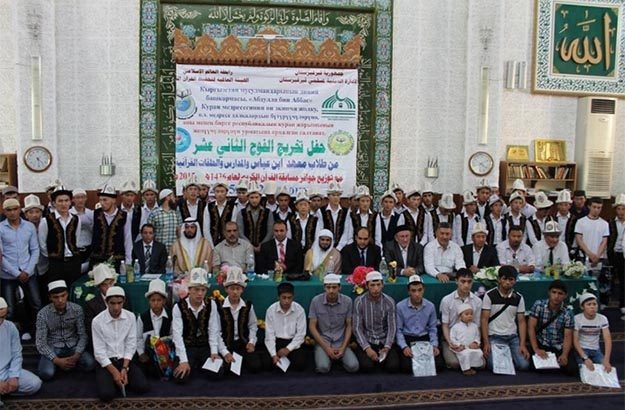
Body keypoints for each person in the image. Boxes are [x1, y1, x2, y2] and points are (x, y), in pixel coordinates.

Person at [172, 268, 231, 382]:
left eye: (203, 290)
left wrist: (214, 352)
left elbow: (213, 330)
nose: (200, 293)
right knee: (180, 377)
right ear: (189, 289)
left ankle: (199, 364)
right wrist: (183, 360)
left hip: (205, 345)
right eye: (196, 289)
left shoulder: (211, 304)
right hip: (188, 346)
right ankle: (194, 363)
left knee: (218, 374)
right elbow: (177, 336)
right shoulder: (178, 307)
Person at [91, 286, 150, 402]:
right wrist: (114, 373)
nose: (116, 307)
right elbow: (99, 352)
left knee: (143, 387)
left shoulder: (130, 317)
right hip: (107, 363)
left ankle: (120, 380)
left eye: (119, 303)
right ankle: (114, 380)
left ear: (124, 301)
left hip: (124, 360)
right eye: (112, 303)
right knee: (106, 395)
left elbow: (131, 344)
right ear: (106, 302)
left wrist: (124, 368)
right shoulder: (97, 321)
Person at [36, 280, 95, 381]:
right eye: (56, 297)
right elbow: (40, 342)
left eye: (63, 296)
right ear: (50, 298)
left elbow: (83, 335)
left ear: (67, 294)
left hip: (73, 346)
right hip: (53, 347)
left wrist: (77, 354)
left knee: (91, 364)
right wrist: (57, 360)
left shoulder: (77, 309)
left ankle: (68, 363)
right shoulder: (43, 314)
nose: (60, 300)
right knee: (46, 374)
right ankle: (62, 364)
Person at [0, 198, 41, 341]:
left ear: (20, 210)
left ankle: (37, 334)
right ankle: (11, 338)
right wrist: (16, 273)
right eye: (9, 210)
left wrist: (28, 271)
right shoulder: (0, 228)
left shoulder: (29, 227)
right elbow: (1, 255)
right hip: (7, 273)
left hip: (28, 271)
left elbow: (35, 250)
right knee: (9, 308)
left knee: (36, 304)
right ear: (4, 212)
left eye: (15, 209)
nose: (12, 212)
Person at [481, 265, 530, 371]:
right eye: (504, 279)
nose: (507, 282)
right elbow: (484, 320)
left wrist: (522, 344)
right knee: (493, 365)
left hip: (512, 337)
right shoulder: (489, 295)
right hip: (494, 337)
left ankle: (508, 358)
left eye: (511, 279)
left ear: (515, 281)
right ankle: (507, 359)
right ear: (499, 279)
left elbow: (522, 322)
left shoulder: (519, 298)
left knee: (524, 365)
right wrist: (486, 342)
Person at [308, 274, 359, 374]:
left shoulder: (347, 301)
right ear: (324, 288)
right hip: (323, 341)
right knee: (323, 368)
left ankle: (338, 356)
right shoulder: (316, 301)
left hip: (341, 341)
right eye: (328, 287)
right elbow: (312, 326)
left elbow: (349, 325)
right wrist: (326, 348)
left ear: (340, 287)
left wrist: (343, 347)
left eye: (334, 287)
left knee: (353, 367)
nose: (331, 290)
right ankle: (326, 356)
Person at [217, 268, 263, 374]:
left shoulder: (248, 305)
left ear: (242, 290)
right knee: (228, 369)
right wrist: (224, 352)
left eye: (238, 289)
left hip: (243, 343)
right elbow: (216, 332)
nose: (235, 292)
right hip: (226, 344)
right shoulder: (219, 306)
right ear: (226, 289)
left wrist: (251, 342)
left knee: (256, 366)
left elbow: (252, 325)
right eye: (232, 288)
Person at [353, 270, 399, 373]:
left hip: (384, 340)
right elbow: (357, 328)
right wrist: (367, 348)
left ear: (383, 285)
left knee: (393, 366)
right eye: (372, 285)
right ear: (367, 286)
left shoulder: (389, 301)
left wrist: (387, 347)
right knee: (367, 367)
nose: (376, 288)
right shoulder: (359, 302)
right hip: (368, 339)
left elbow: (392, 327)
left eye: (378, 285)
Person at [527, 280, 577, 375]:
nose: (556, 296)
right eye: (554, 292)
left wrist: (564, 354)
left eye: (560, 293)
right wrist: (536, 349)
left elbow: (568, 336)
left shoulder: (568, 312)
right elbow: (531, 327)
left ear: (565, 296)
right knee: (530, 366)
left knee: (572, 369)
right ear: (549, 292)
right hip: (542, 342)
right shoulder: (539, 305)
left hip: (558, 345)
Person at [395, 275, 441, 373]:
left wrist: (434, 345)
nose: (417, 294)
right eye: (413, 291)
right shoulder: (400, 306)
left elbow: (433, 328)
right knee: (406, 367)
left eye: (420, 290)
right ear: (408, 292)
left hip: (424, 338)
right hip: (408, 338)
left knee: (439, 365)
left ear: (424, 290)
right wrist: (404, 347)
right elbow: (398, 330)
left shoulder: (430, 306)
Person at [39, 185, 83, 285]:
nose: (64, 204)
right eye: (60, 201)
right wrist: (53, 256)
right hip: (56, 263)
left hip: (73, 261)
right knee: (57, 288)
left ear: (70, 202)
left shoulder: (76, 219)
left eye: (66, 200)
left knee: (74, 287)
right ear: (54, 203)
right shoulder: (46, 221)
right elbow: (42, 244)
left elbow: (76, 238)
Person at [439, 269, 482, 369]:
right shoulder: (447, 300)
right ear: (456, 281)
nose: (466, 285)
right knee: (454, 363)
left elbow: (477, 325)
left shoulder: (477, 301)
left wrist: (476, 342)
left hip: (469, 339)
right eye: (463, 281)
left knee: (481, 364)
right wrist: (450, 342)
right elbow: (445, 325)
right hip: (452, 338)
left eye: (469, 282)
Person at [0, 297, 42, 397]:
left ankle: (4, 392)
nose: (1, 321)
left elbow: (16, 354)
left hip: (6, 371)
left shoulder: (10, 327)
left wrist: (14, 376)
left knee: (35, 384)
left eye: (3, 317)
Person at [264, 282, 308, 371]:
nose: (287, 301)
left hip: (293, 342)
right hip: (277, 341)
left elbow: (301, 334)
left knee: (300, 364)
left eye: (289, 298)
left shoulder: (299, 310)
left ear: (293, 297)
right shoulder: (271, 310)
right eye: (284, 298)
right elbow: (269, 335)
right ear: (278, 297)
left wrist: (288, 349)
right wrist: (273, 355)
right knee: (267, 364)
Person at [574, 197, 609, 306]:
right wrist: (589, 253)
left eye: (599, 208)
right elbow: (579, 239)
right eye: (594, 207)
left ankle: (600, 304)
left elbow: (604, 241)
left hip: (599, 257)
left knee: (599, 283)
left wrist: (597, 255)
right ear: (589, 206)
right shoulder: (581, 222)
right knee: (585, 283)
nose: (596, 210)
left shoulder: (604, 223)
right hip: (585, 256)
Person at [91, 184, 133, 271]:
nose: (102, 203)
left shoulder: (124, 216)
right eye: (100, 200)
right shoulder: (95, 214)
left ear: (113, 200)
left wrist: (128, 261)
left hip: (117, 260)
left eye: (105, 200)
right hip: (97, 260)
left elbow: (128, 239)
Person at [136, 279, 172, 378]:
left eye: (159, 300)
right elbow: (138, 338)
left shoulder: (170, 316)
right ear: (149, 301)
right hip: (149, 353)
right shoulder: (142, 317)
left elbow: (173, 335)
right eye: (153, 300)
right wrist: (141, 353)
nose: (156, 303)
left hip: (166, 353)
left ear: (164, 301)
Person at [84, 264, 129, 337]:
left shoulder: (123, 298)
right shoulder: (91, 305)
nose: (109, 287)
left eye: (110, 283)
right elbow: (91, 330)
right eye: (104, 285)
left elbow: (128, 322)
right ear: (99, 287)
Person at [573, 293, 612, 373]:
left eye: (594, 304)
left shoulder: (603, 319)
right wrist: (585, 358)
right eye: (589, 304)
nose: (592, 307)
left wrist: (606, 359)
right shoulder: (577, 319)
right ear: (582, 307)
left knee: (605, 369)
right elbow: (575, 341)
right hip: (581, 349)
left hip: (596, 349)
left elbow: (607, 339)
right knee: (584, 370)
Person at [236, 181, 273, 254]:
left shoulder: (268, 212)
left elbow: (270, 232)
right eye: (252, 197)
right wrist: (250, 246)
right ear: (248, 198)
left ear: (260, 197)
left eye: (256, 197)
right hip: (246, 249)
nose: (254, 200)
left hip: (264, 249)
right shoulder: (241, 213)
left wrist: (261, 245)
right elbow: (240, 232)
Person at [450, 304, 484, 375]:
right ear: (460, 316)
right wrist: (459, 345)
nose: (469, 316)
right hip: (461, 348)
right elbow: (452, 338)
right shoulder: (455, 327)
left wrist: (475, 342)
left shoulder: (474, 326)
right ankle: (466, 369)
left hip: (471, 347)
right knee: (465, 354)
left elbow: (477, 336)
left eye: (471, 314)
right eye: (466, 314)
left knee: (479, 352)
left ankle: (473, 366)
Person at [202, 180, 236, 246]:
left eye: (222, 191)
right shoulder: (208, 207)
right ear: (214, 193)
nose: (219, 194)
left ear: (226, 192)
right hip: (212, 243)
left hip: (228, 244)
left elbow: (233, 227)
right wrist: (211, 246)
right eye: (217, 191)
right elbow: (206, 229)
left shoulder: (232, 207)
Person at [607, 193, 625, 315]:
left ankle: (623, 304)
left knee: (623, 280)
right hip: (613, 253)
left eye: (623, 209)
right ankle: (606, 301)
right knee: (609, 278)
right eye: (619, 209)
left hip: (623, 254)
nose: (621, 212)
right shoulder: (610, 222)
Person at [321, 179, 350, 250]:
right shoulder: (321, 211)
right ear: (328, 196)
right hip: (325, 246)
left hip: (342, 247)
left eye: (338, 195)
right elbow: (320, 230)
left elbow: (346, 232)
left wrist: (339, 248)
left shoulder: (346, 211)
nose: (336, 197)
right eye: (333, 195)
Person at [70, 188, 94, 271]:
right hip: (75, 249)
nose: (80, 200)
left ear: (86, 198)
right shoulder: (69, 213)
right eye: (77, 197)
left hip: (89, 248)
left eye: (82, 197)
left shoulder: (91, 213)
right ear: (73, 199)